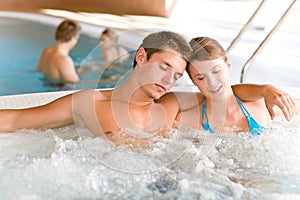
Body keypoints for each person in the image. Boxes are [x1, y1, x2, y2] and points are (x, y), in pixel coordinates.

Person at [0, 31, 296, 149]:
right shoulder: (91, 103)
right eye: (163, 67)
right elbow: (14, 120)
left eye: (177, 74)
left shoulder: (174, 104)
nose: (169, 79)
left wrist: (265, 88)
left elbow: (222, 91)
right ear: (141, 57)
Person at [175, 36, 299, 134]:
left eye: (216, 71)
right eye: (201, 78)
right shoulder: (187, 121)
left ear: (228, 65)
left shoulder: (262, 108)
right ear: (193, 81)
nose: (211, 82)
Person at [36, 19, 81, 85]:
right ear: (73, 38)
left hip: (45, 84)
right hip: (58, 90)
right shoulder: (64, 60)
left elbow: (38, 70)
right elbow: (76, 85)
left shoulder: (47, 50)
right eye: (77, 39)